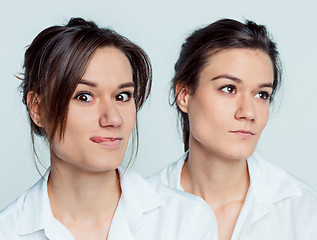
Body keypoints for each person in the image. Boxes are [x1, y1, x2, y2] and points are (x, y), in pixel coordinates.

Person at [0, 17, 218, 240]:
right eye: (84, 97)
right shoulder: (7, 231)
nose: (113, 118)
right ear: (38, 109)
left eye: (122, 96)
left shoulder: (185, 220)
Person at [150, 19, 317, 240]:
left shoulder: (304, 214)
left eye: (261, 95)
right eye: (229, 88)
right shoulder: (138, 208)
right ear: (184, 95)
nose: (248, 113)